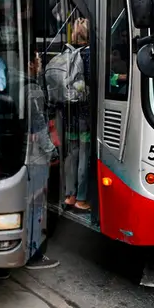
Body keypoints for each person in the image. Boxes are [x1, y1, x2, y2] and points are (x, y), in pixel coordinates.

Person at [24, 53, 60, 270]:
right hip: (36, 156)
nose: (40, 65)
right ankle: (34, 254)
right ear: (31, 64)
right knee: (37, 206)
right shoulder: (33, 89)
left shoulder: (14, 81)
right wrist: (52, 152)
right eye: (37, 61)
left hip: (23, 156)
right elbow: (38, 124)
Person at [63, 18, 91, 212]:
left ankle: (69, 196)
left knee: (71, 154)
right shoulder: (88, 54)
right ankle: (81, 198)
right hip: (84, 111)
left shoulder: (66, 53)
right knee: (84, 154)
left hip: (69, 112)